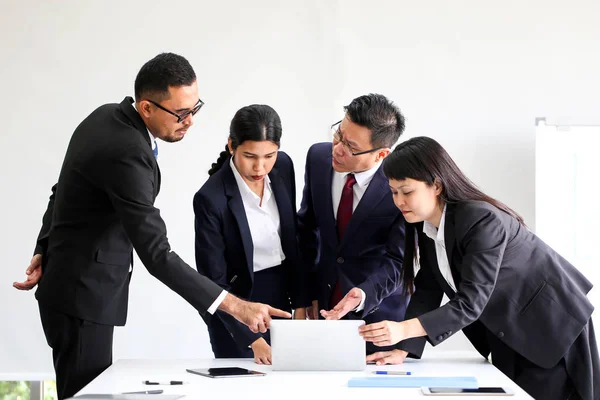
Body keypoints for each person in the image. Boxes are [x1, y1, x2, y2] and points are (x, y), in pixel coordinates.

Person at [12, 53, 290, 400]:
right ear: (146, 108)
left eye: (195, 108)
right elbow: (157, 255)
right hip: (82, 296)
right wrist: (236, 306)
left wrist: (44, 246)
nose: (190, 121)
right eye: (180, 113)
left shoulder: (105, 116)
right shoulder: (127, 151)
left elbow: (63, 189)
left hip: (74, 286)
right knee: (85, 394)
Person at [360, 136, 599, 400]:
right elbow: (428, 287)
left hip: (551, 326)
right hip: (511, 329)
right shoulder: (428, 225)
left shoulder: (480, 219)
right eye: (393, 192)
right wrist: (404, 347)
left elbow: (471, 303)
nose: (399, 201)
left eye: (407, 191)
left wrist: (403, 328)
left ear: (436, 185)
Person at [193, 104, 310, 365]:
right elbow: (212, 281)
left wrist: (300, 302)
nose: (261, 166)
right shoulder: (210, 199)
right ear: (231, 146)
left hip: (281, 295)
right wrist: (252, 339)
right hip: (236, 303)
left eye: (270, 155)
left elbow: (292, 242)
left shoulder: (284, 167)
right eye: (250, 156)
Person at [297, 93, 410, 355]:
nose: (337, 149)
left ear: (381, 153)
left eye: (351, 147)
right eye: (338, 135)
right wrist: (307, 292)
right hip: (323, 307)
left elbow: (398, 261)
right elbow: (307, 230)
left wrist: (363, 294)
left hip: (378, 316)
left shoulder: (401, 184)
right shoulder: (317, 158)